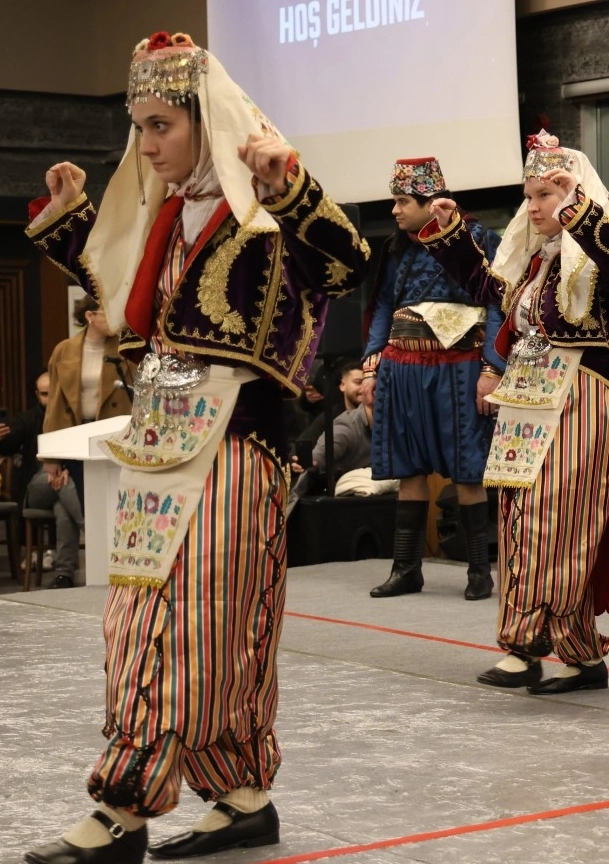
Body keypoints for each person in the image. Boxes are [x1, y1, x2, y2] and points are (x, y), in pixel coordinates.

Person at [23, 30, 368, 864]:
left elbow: (348, 263)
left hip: (234, 452)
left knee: (194, 625)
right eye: (139, 126)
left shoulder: (264, 218)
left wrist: (292, 187)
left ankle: (123, 809)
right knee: (158, 619)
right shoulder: (167, 219)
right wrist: (72, 217)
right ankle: (243, 795)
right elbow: (120, 296)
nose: (146, 145)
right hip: (162, 447)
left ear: (206, 124)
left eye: (161, 126)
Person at [420, 131, 609, 693]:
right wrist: (452, 233)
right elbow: (489, 287)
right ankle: (535, 645)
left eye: (544, 195)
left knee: (565, 518)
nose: (533, 207)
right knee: (521, 514)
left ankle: (567, 650)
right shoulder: (538, 261)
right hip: (529, 394)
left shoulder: (605, 248)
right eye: (529, 197)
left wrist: (576, 206)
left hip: (586, 393)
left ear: (575, 193)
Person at [361, 156, 504, 601]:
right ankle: (406, 569)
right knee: (407, 467)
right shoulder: (396, 249)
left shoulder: (478, 239)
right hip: (402, 368)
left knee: (466, 470)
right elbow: (383, 306)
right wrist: (371, 365)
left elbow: (499, 304)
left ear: (431, 202)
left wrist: (492, 368)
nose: (395, 210)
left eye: (403, 201)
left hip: (459, 368)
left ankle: (479, 571)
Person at [38, 295, 136, 588]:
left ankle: (114, 564)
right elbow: (56, 404)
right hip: (77, 435)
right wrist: (51, 456)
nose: (114, 319)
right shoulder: (65, 350)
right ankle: (99, 563)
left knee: (114, 499)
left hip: (115, 432)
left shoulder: (124, 347)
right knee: (79, 497)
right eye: (107, 313)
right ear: (90, 316)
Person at [0, 372, 51, 513]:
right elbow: (10, 446)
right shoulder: (27, 419)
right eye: (45, 394)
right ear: (37, 395)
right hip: (36, 480)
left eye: (53, 393)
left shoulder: (73, 417)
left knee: (62, 511)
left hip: (66, 477)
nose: (50, 399)